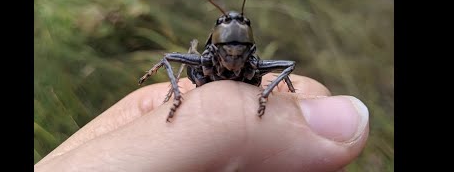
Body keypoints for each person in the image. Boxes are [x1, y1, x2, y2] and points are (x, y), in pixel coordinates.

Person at [34, 73, 369, 171]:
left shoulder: (254, 58)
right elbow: (174, 62)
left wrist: (266, 93)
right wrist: (177, 96)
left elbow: (282, 66)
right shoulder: (205, 56)